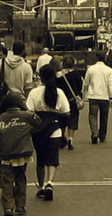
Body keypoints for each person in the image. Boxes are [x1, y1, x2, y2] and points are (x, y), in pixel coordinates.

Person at [0, 93, 40, 216]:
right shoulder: (27, 116)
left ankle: (8, 207)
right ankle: (20, 205)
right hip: (23, 152)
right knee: (21, 177)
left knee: (7, 181)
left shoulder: (0, 118)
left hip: (6, 153)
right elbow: (38, 124)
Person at [26, 64, 69, 201]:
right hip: (54, 129)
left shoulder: (34, 92)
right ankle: (50, 182)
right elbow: (66, 112)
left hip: (38, 129)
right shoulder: (59, 92)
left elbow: (29, 111)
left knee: (40, 159)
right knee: (52, 159)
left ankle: (41, 186)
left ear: (40, 77)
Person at [81, 51, 112, 145]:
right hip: (105, 97)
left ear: (96, 58)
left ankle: (94, 133)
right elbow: (111, 85)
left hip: (93, 96)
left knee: (92, 116)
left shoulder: (91, 69)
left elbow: (86, 83)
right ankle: (102, 135)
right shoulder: (109, 70)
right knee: (104, 117)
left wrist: (84, 92)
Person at [54, 57, 82, 150]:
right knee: (72, 120)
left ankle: (61, 137)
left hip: (62, 100)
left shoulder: (59, 76)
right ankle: (70, 138)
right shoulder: (76, 75)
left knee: (62, 120)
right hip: (72, 100)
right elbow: (80, 87)